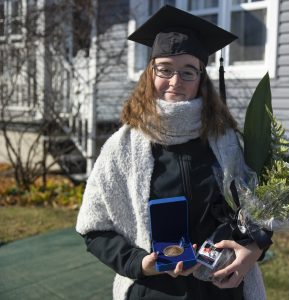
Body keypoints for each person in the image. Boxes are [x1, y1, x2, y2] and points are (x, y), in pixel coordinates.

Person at [76, 5, 272, 300]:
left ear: (202, 79)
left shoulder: (226, 141)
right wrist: (140, 263)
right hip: (153, 290)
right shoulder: (122, 148)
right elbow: (94, 227)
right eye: (165, 69)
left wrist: (252, 252)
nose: (175, 81)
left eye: (188, 71)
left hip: (223, 289)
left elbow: (263, 212)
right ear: (150, 73)